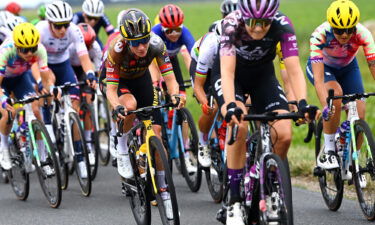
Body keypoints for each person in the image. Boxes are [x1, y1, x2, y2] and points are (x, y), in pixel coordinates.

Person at [215, 0, 317, 223]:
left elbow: (294, 68)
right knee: (238, 125)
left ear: (273, 18)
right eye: (253, 22)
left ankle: (270, 187)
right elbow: (227, 73)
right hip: (233, 78)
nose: (258, 29)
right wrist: (231, 105)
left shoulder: (283, 25)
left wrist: (301, 103)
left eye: (264, 23)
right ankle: (233, 200)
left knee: (284, 133)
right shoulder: (231, 25)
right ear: (243, 17)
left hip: (263, 77)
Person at [103, 8, 184, 219]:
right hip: (118, 81)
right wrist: (116, 106)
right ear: (126, 41)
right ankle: (121, 146)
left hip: (141, 79)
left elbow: (170, 77)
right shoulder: (117, 49)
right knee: (129, 104)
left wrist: (175, 95)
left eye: (144, 40)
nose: (141, 47)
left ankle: (164, 191)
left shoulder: (156, 44)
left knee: (156, 135)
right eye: (135, 43)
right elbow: (110, 90)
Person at [307, 0, 375, 173]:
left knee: (359, 111)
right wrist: (326, 106)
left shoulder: (363, 34)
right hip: (324, 68)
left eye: (349, 30)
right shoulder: (319, 35)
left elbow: (373, 65)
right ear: (331, 26)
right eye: (338, 30)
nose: (344, 35)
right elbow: (319, 78)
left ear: (355, 27)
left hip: (348, 68)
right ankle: (329, 150)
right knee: (334, 96)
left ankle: (355, 163)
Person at [37, 0, 97, 178]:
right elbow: (35, 61)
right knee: (46, 94)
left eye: (65, 24)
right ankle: (49, 130)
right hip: (44, 65)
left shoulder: (73, 30)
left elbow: (84, 57)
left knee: (75, 108)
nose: (63, 29)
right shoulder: (40, 30)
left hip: (63, 65)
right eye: (58, 25)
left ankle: (79, 157)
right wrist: (43, 82)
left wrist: (90, 74)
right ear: (49, 23)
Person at [0, 23, 52, 172]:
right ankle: (3, 148)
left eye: (32, 49)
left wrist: (47, 90)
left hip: (20, 78)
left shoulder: (40, 49)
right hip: (3, 81)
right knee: (9, 113)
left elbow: (45, 76)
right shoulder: (5, 51)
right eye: (24, 49)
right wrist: (3, 100)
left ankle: (43, 158)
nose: (29, 53)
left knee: (36, 110)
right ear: (16, 46)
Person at [190, 21, 223, 168]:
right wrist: (205, 102)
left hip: (224, 66)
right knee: (212, 106)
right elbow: (198, 86)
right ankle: (203, 142)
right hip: (204, 69)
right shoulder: (209, 48)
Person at [69, 23, 102, 165]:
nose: (88, 47)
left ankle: (88, 143)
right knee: (74, 104)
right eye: (86, 44)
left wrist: (97, 84)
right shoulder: (71, 48)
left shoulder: (95, 48)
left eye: (90, 44)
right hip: (71, 69)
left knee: (88, 102)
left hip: (85, 71)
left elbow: (98, 70)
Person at [152, 4, 195, 96]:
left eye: (178, 30)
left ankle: (175, 110)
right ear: (162, 29)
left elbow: (196, 56)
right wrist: (157, 78)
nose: (174, 34)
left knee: (181, 93)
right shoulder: (155, 33)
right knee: (158, 87)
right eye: (169, 31)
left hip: (171, 59)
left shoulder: (185, 34)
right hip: (154, 60)